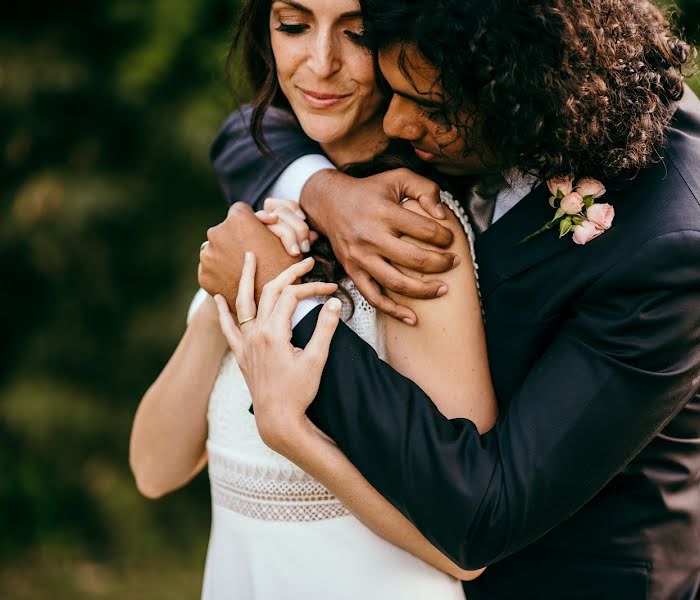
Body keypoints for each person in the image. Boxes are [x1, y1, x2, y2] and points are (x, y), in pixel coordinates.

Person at [202, 0, 700, 598]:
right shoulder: (463, 67)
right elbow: (252, 126)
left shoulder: (680, 253)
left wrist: (288, 303)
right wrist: (325, 193)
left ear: (523, 91)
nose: (394, 126)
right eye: (394, 91)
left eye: (431, 108)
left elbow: (489, 512)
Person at [129, 1, 493, 598]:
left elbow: (463, 544)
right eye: (293, 26)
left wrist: (289, 430)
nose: (320, 65)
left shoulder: (415, 234)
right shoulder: (267, 205)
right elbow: (153, 468)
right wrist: (236, 296)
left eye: (357, 34)